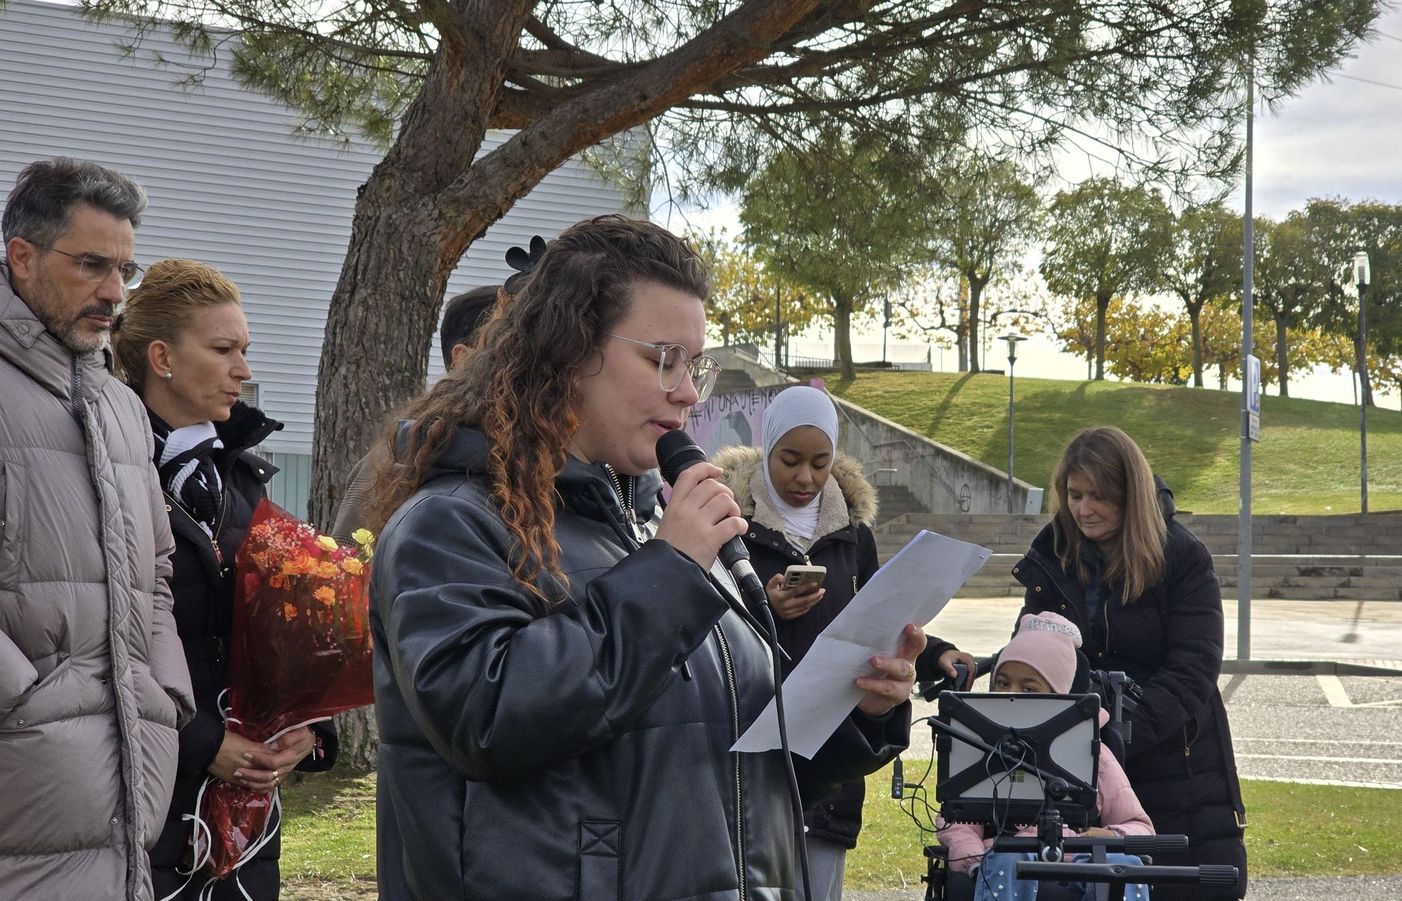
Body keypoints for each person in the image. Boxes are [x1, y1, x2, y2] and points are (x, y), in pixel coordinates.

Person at [364, 214, 923, 901]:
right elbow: (486, 719)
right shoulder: (448, 523)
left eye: (695, 365)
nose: (688, 391)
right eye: (663, 358)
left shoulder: (656, 524)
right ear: (567, 351)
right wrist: (671, 573)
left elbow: (744, 765)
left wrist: (859, 707)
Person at [110, 259, 339, 899]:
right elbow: (98, 643)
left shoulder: (241, 481)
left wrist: (308, 728)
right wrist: (202, 743)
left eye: (245, 350)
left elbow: (290, 628)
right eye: (223, 350)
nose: (243, 370)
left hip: (244, 824)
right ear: (162, 358)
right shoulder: (106, 476)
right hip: (144, 805)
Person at [0, 157, 195, 899]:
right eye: (91, 265)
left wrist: (162, 691)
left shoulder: (119, 406)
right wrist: (28, 700)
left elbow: (156, 571)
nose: (115, 291)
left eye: (125, 269)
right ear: (22, 257)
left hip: (125, 801)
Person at [711, 384, 975, 899]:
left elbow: (880, 619)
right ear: (767, 449)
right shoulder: (727, 523)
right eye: (790, 460)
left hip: (831, 763)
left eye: (820, 462)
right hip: (745, 757)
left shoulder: (855, 537)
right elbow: (702, 622)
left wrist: (936, 652)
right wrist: (764, 607)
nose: (805, 477)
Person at [1011, 427, 1247, 900]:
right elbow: (1033, 654)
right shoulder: (1053, 555)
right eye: (1075, 495)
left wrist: (1115, 736)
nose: (1084, 509)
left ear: (1130, 495)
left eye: (1099, 496)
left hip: (1175, 770)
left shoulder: (1182, 556)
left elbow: (1194, 669)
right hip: (1074, 767)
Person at [938, 612, 1155, 901]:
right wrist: (976, 863)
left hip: (1077, 861)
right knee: (1007, 858)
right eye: (1002, 683)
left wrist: (1109, 836)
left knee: (1123, 865)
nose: (1012, 695)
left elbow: (1141, 828)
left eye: (1028, 688)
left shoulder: (1095, 754)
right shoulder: (979, 750)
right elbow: (956, 826)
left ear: (1057, 696)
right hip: (1004, 863)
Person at [329, 282, 501, 540]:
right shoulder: (391, 462)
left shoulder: (536, 458)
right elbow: (342, 559)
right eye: (506, 348)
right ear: (462, 358)